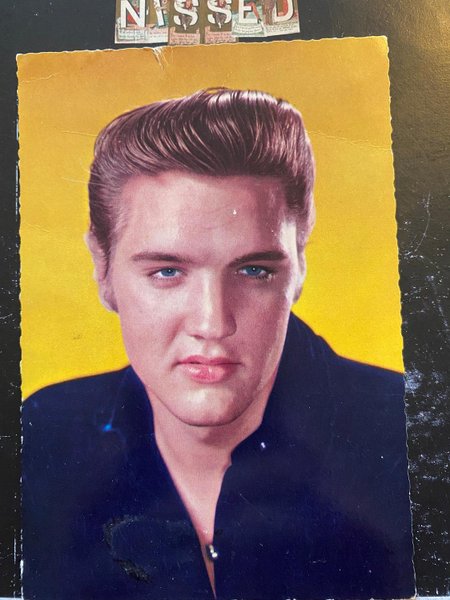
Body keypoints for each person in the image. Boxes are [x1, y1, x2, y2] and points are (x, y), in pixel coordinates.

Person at [22, 88, 415, 600]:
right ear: (102, 269)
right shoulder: (40, 439)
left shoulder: (414, 439)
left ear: (299, 263)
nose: (212, 323)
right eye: (167, 271)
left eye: (254, 270)